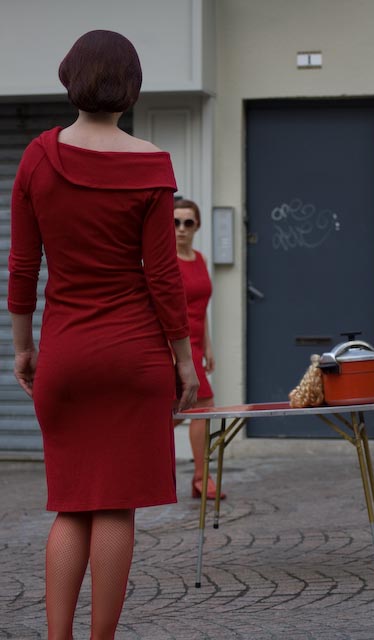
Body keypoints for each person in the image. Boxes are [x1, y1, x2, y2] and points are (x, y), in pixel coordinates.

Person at [8, 30, 199, 640]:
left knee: (71, 504)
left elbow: (23, 267)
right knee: (115, 505)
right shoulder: (151, 164)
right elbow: (163, 276)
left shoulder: (37, 157)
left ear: (70, 78)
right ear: (131, 87)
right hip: (133, 355)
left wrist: (23, 346)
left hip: (66, 354)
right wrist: (185, 360)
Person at [173, 198, 226, 500]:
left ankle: (199, 477)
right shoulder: (166, 262)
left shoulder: (201, 259)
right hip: (176, 344)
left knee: (184, 409)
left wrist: (208, 346)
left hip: (195, 343)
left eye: (187, 222)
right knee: (201, 406)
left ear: (197, 226)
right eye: (175, 222)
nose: (181, 229)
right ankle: (201, 478)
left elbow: (201, 308)